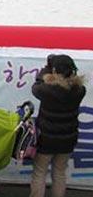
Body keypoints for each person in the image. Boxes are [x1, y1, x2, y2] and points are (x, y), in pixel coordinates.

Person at [29, 54, 86, 197]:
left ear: (54, 71)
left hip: (46, 139)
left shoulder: (46, 90)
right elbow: (72, 81)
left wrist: (46, 69)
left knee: (39, 172)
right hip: (68, 139)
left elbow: (36, 86)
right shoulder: (79, 91)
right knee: (60, 172)